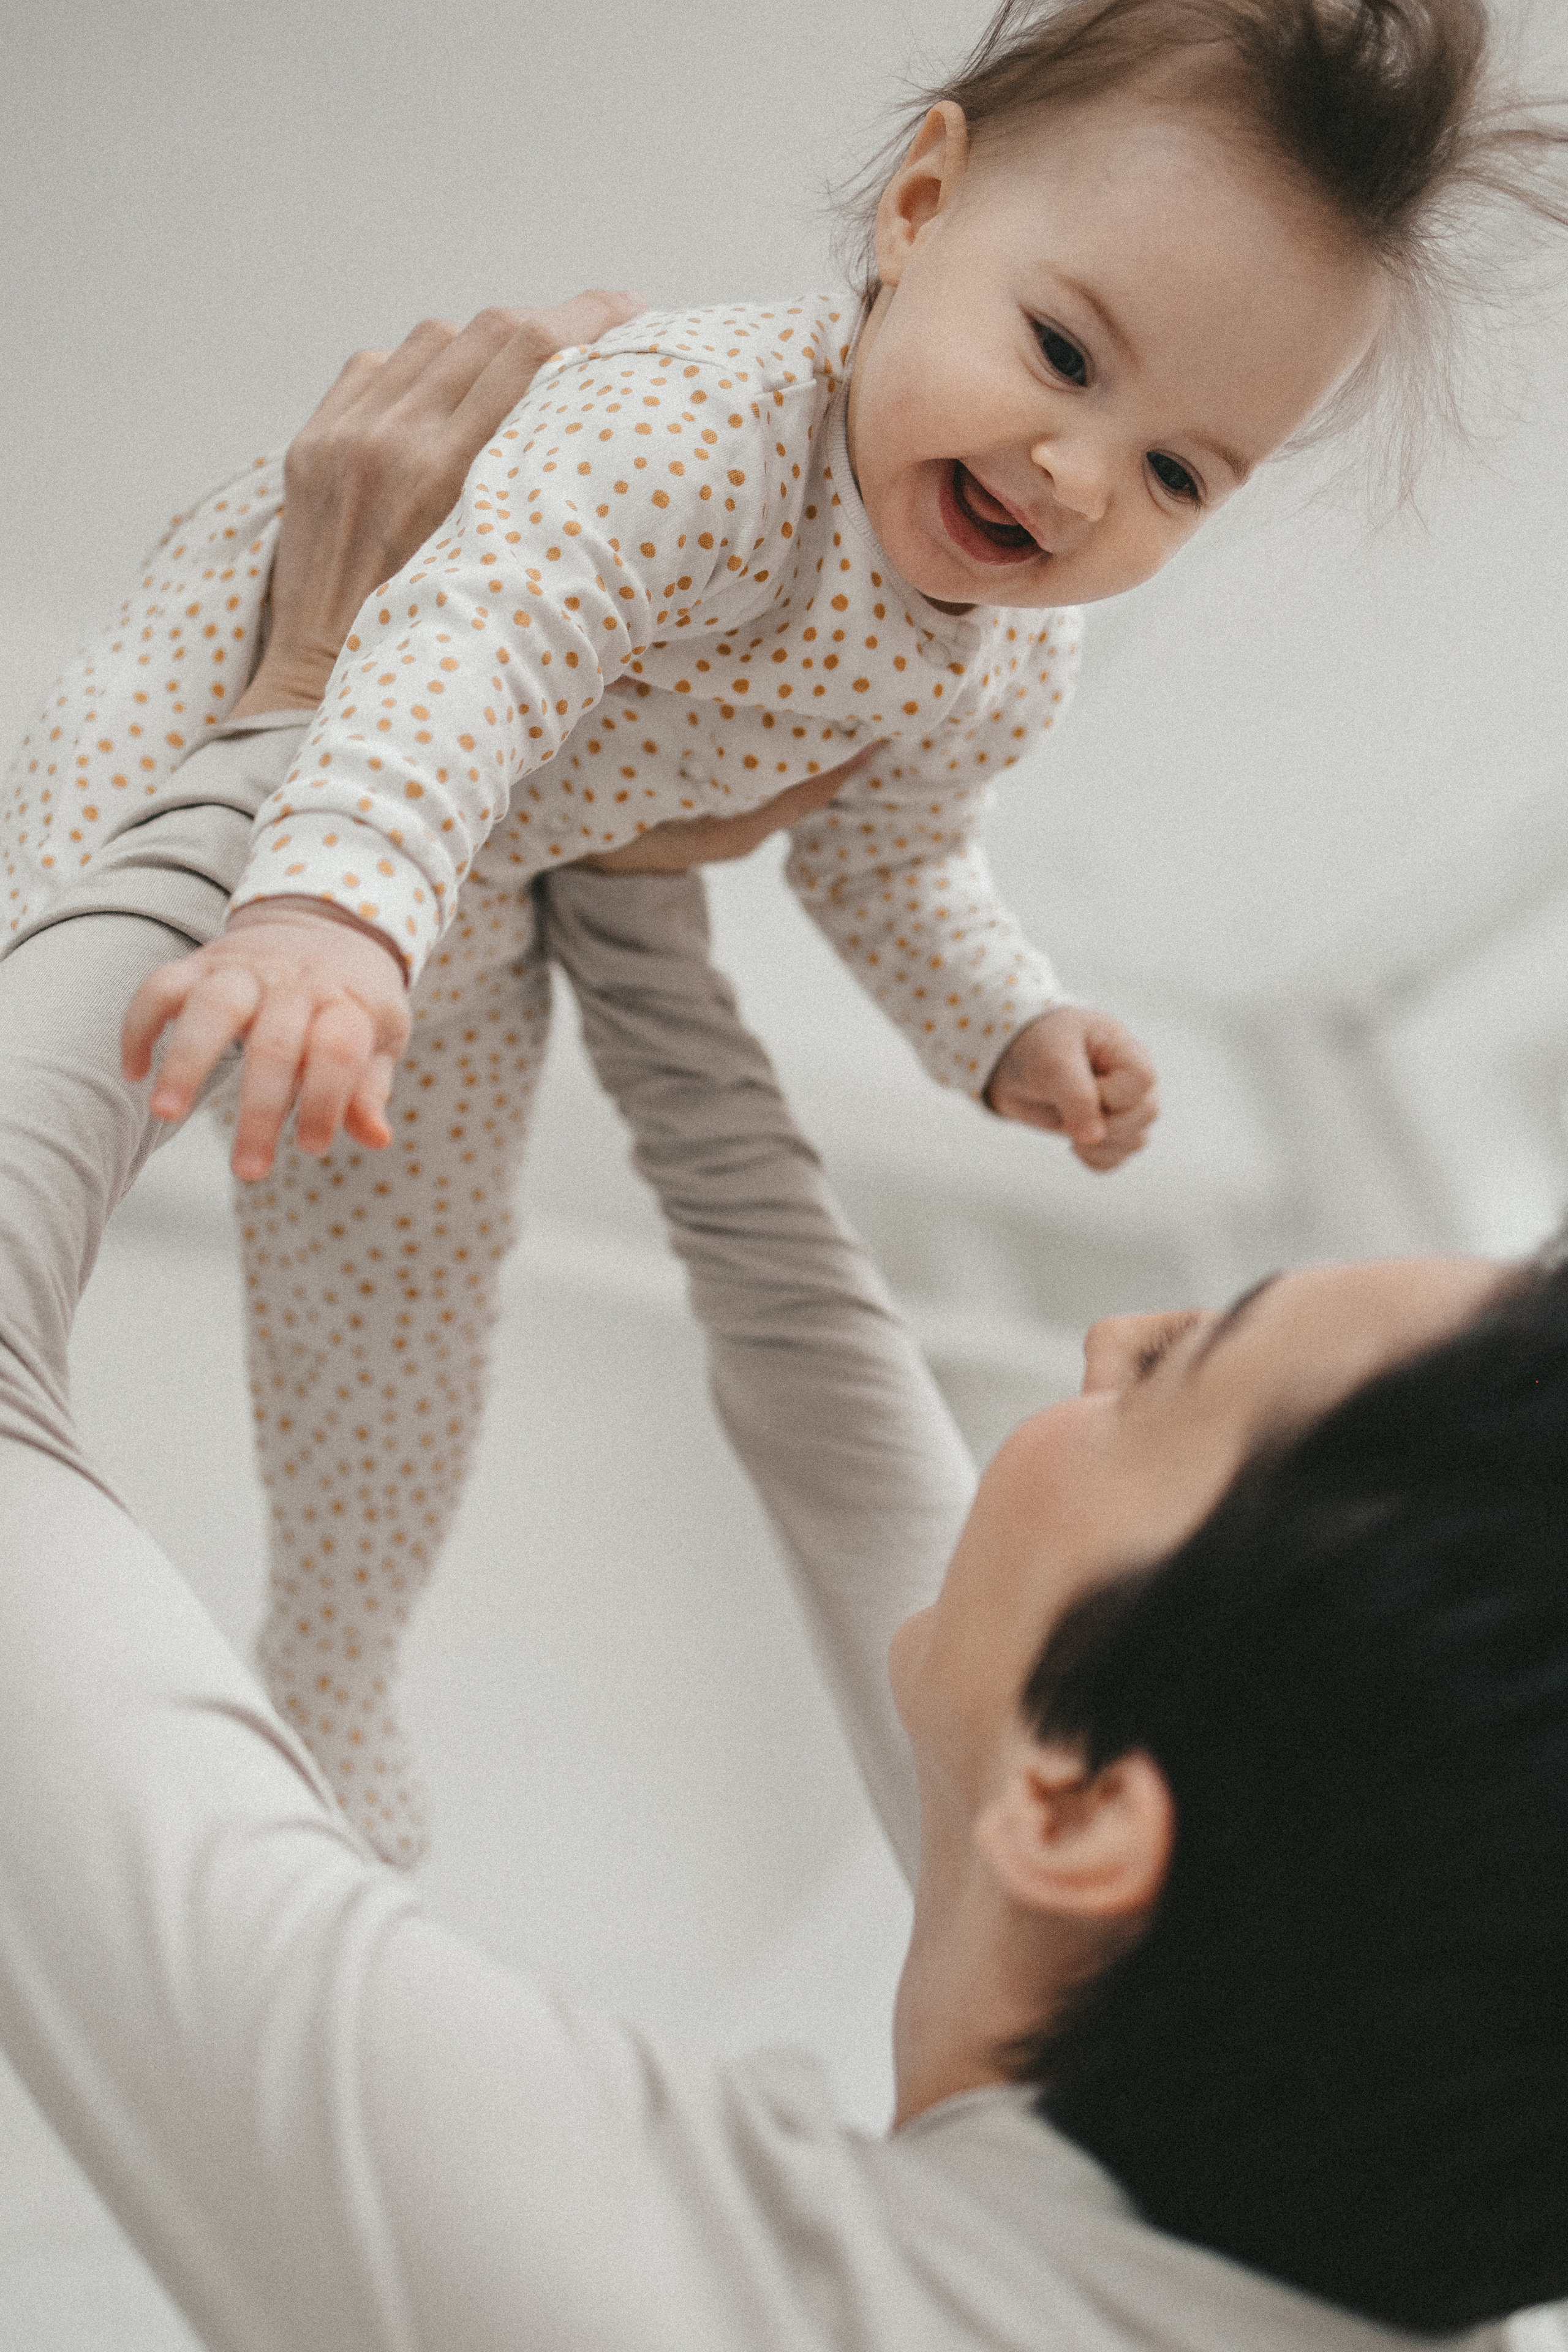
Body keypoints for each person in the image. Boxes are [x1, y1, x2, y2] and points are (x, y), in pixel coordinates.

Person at [2, 285, 1567, 2352]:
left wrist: (294, 703)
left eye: (1176, 1367)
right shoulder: (1290, 2101)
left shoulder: (629, 2290)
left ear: (1085, 1807)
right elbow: (851, 1424)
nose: (1104, 1343)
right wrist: (617, 875)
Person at [24, 0, 1561, 1869]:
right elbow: (480, 638)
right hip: (278, 691)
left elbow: (893, 861)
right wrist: (325, 896)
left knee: (418, 1309)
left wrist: (1005, 1022)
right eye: (1064, 352)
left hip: (487, 873)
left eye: (1178, 474)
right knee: (51, 969)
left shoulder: (1007, 663)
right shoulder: (703, 423)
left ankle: (332, 1666)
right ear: (923, 204)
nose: (1076, 474)